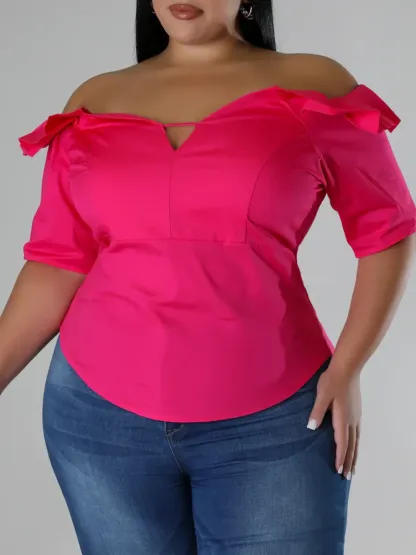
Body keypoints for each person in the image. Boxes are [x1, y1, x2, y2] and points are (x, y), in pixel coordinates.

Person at [1, 1, 415, 554]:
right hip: (97, 420)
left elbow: (386, 230)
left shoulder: (313, 84)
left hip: (275, 419)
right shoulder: (95, 99)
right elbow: (59, 259)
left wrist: (349, 366)